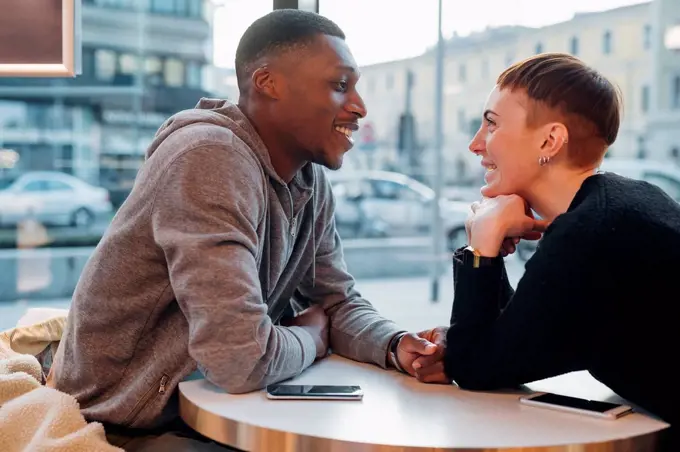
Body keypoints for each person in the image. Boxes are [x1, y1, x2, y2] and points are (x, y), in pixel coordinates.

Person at [49, 9, 445, 451]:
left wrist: (395, 345)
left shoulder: (309, 182)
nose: (359, 106)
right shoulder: (208, 156)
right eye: (339, 85)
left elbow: (335, 303)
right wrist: (311, 340)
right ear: (268, 83)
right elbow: (240, 358)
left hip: (192, 407)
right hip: (119, 418)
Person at [413, 53, 676, 448]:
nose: (475, 143)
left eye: (491, 123)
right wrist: (489, 253)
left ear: (550, 141)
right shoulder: (625, 203)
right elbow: (517, 341)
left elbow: (478, 367)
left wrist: (481, 245)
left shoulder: (591, 234)